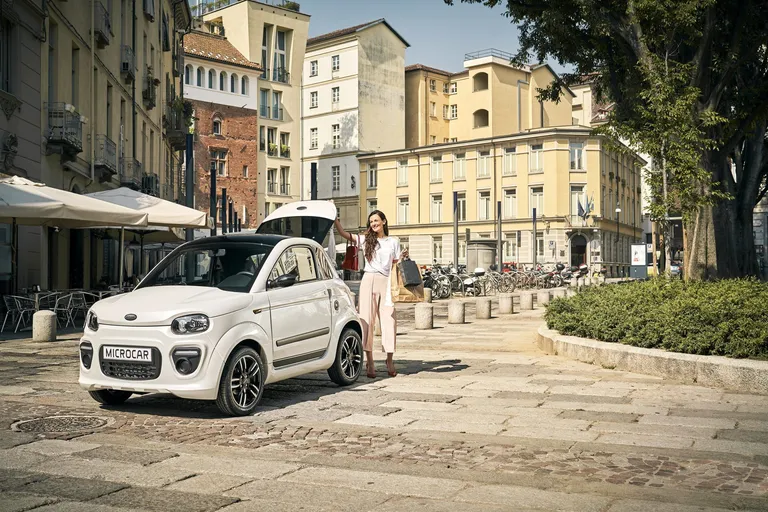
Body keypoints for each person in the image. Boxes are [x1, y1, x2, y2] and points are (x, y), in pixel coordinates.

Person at [334, 210, 408, 378]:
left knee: (389, 320)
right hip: (368, 280)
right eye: (371, 221)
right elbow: (344, 234)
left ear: (384, 221)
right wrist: (336, 220)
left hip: (387, 282)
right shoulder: (366, 239)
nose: (374, 223)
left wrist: (404, 257)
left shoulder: (393, 241)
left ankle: (389, 359)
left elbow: (396, 265)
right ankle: (370, 361)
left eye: (376, 220)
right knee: (366, 320)